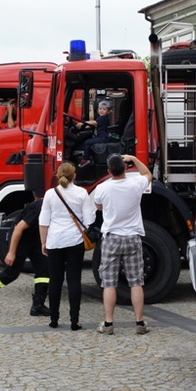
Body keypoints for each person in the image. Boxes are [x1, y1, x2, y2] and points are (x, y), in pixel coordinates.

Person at [93, 153, 152, 335]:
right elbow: (148, 174)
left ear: (109, 171)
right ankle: (140, 322)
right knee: (136, 282)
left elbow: (98, 207)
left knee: (109, 283)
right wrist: (134, 158)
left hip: (112, 238)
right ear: (126, 168)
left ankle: (109, 324)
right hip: (133, 237)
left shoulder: (102, 188)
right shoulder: (136, 184)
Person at [0, 197, 51, 316]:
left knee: (44, 270)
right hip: (20, 238)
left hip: (35, 238)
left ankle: (38, 305)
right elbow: (18, 229)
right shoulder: (39, 207)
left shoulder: (57, 206)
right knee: (11, 273)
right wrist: (11, 252)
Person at [39, 162, 96, 330]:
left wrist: (43, 242)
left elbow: (43, 221)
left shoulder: (50, 194)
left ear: (57, 175)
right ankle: (74, 320)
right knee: (74, 281)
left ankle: (54, 319)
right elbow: (89, 220)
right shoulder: (81, 193)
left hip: (55, 241)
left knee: (55, 280)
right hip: (75, 241)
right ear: (75, 176)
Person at [77, 100, 112, 167]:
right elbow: (95, 124)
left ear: (108, 111)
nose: (101, 110)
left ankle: (86, 159)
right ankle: (90, 156)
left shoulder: (103, 118)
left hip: (103, 138)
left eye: (104, 109)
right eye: (100, 108)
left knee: (87, 142)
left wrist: (83, 123)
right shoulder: (100, 118)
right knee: (90, 140)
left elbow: (94, 122)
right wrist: (86, 125)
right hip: (101, 136)